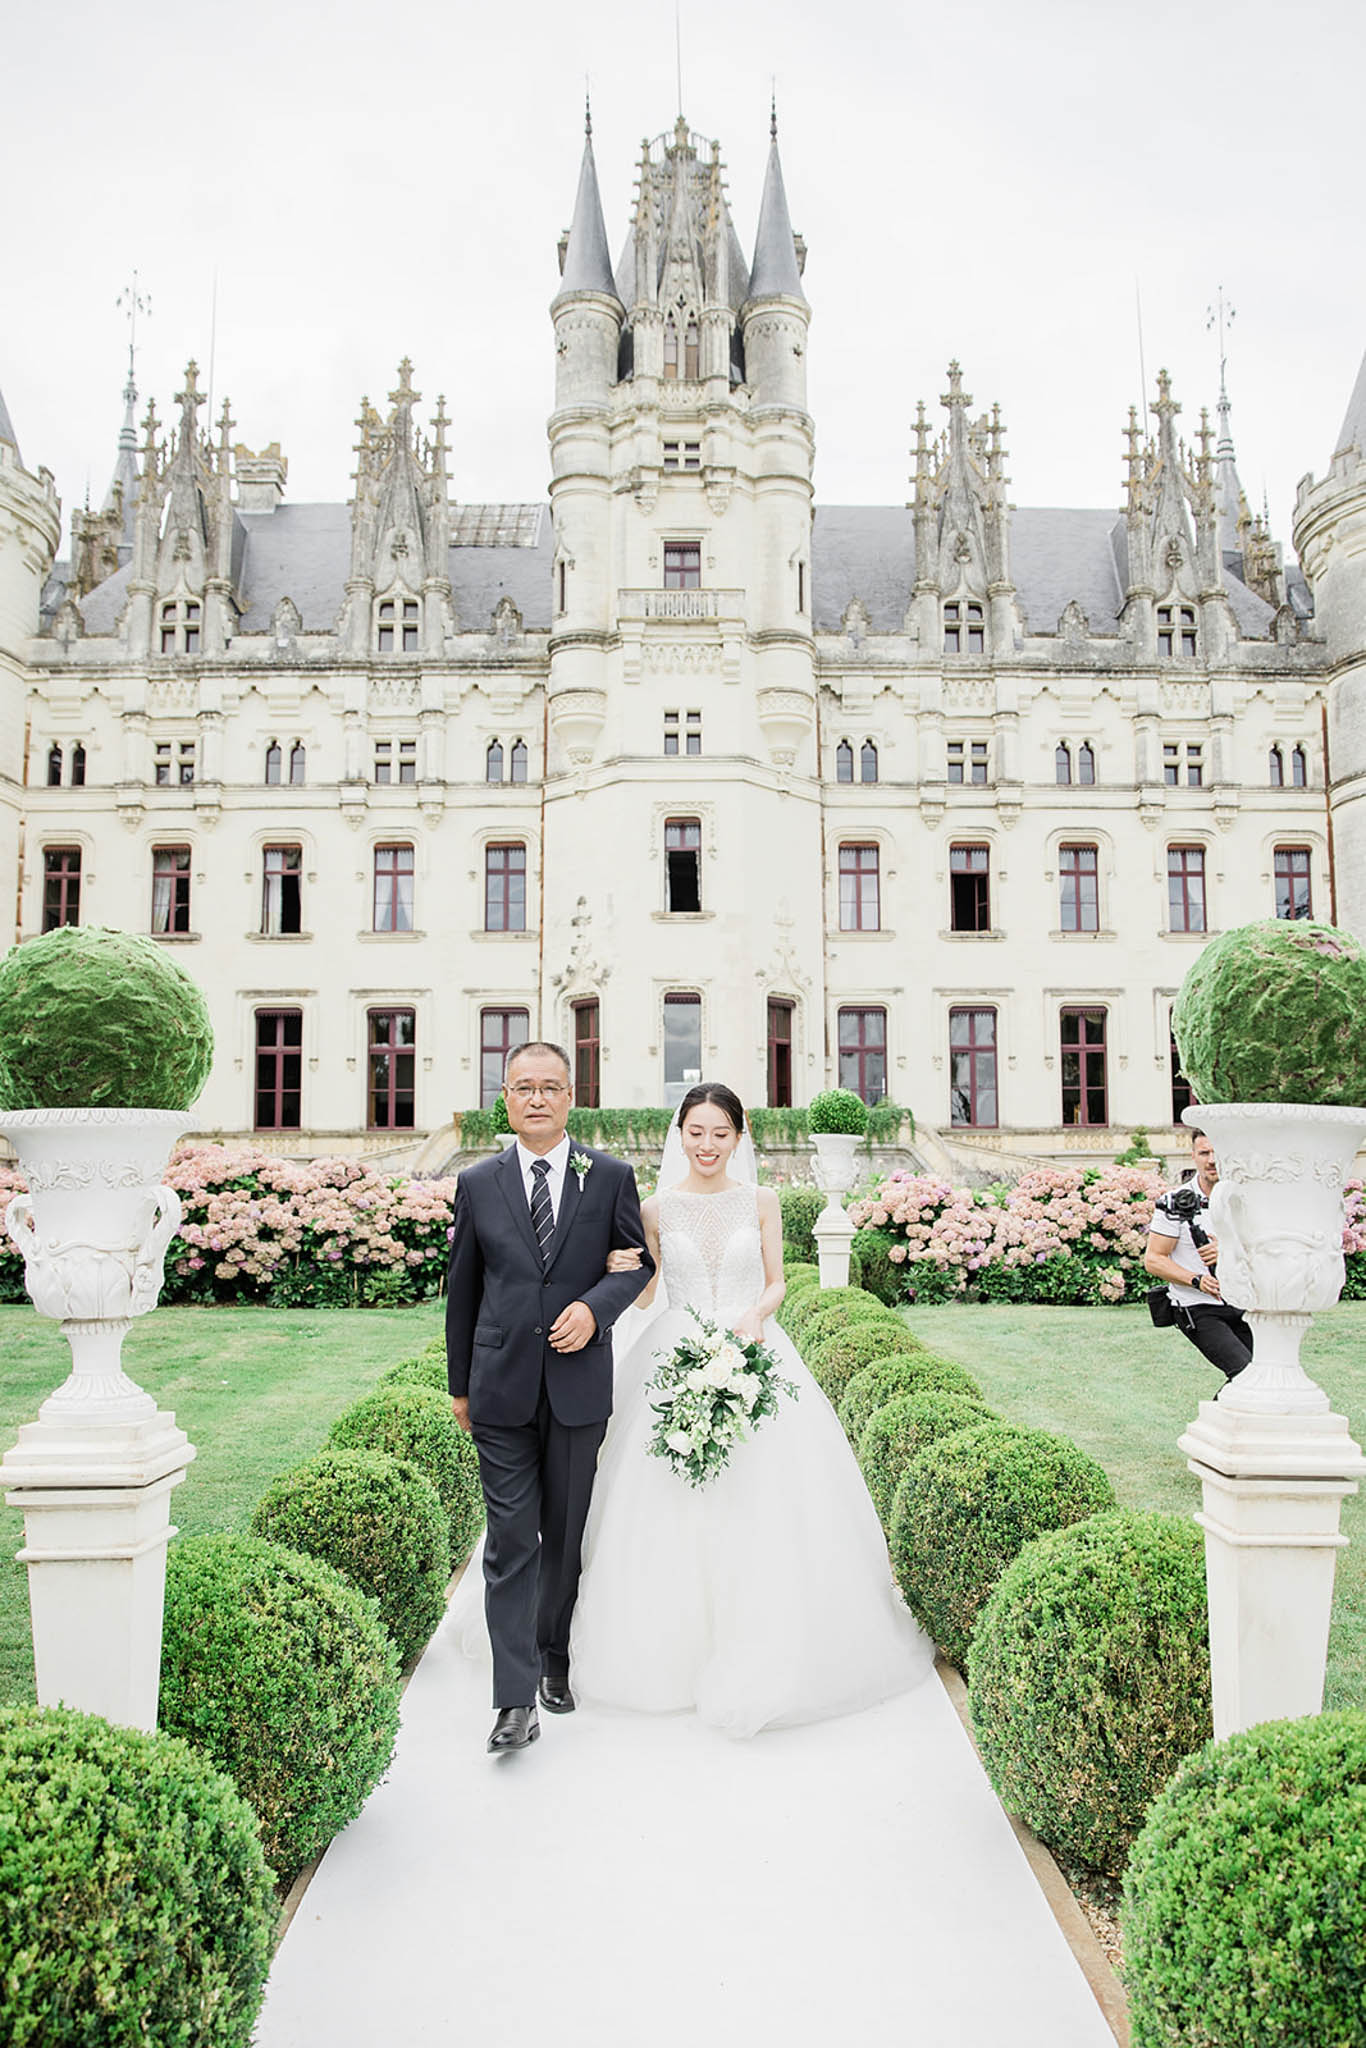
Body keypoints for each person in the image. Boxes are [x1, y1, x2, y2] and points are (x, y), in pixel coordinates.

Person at [566, 1081, 933, 1737]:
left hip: (750, 1345)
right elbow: (648, 1298)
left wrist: (754, 1320)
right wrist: (620, 1262)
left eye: (720, 1133)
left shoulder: (761, 1201)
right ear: (679, 1134)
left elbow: (775, 1282)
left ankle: (768, 1639)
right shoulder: (655, 1208)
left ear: (739, 1138)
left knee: (767, 1494)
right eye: (696, 1132)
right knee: (663, 1494)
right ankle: (667, 1653)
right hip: (671, 1351)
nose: (707, 1145)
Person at [445, 1039, 654, 1755]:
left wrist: (596, 1306)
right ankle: (512, 1701)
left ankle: (554, 1657)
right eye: (522, 1087)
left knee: (564, 1534)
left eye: (550, 1087)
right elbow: (462, 1291)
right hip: (499, 1388)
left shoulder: (611, 1178)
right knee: (509, 1542)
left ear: (571, 1097)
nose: (536, 1098)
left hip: (576, 1388)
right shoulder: (477, 1183)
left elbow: (636, 1263)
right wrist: (458, 1386)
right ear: (504, 1097)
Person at [1143, 1127, 1253, 1381]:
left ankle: (1216, 1420)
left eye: (1218, 1152)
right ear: (1193, 1156)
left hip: (1244, 1303)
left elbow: (1266, 1248)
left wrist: (1229, 1250)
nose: (1212, 1160)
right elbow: (1154, 1260)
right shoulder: (1174, 1202)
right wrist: (1198, 1280)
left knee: (1265, 1376)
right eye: (1204, 1153)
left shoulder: (1245, 1199)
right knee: (1246, 1374)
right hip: (1198, 1307)